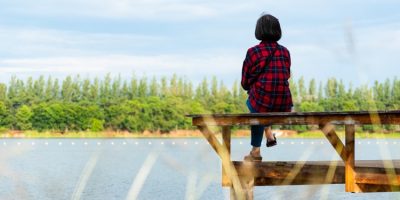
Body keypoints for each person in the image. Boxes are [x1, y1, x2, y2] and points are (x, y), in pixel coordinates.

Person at [241, 14, 293, 162]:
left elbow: (244, 82)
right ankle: (269, 134)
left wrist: (252, 86)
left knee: (254, 104)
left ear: (259, 30)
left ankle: (256, 150)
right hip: (284, 103)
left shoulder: (253, 52)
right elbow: (286, 75)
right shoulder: (285, 51)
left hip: (262, 102)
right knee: (262, 102)